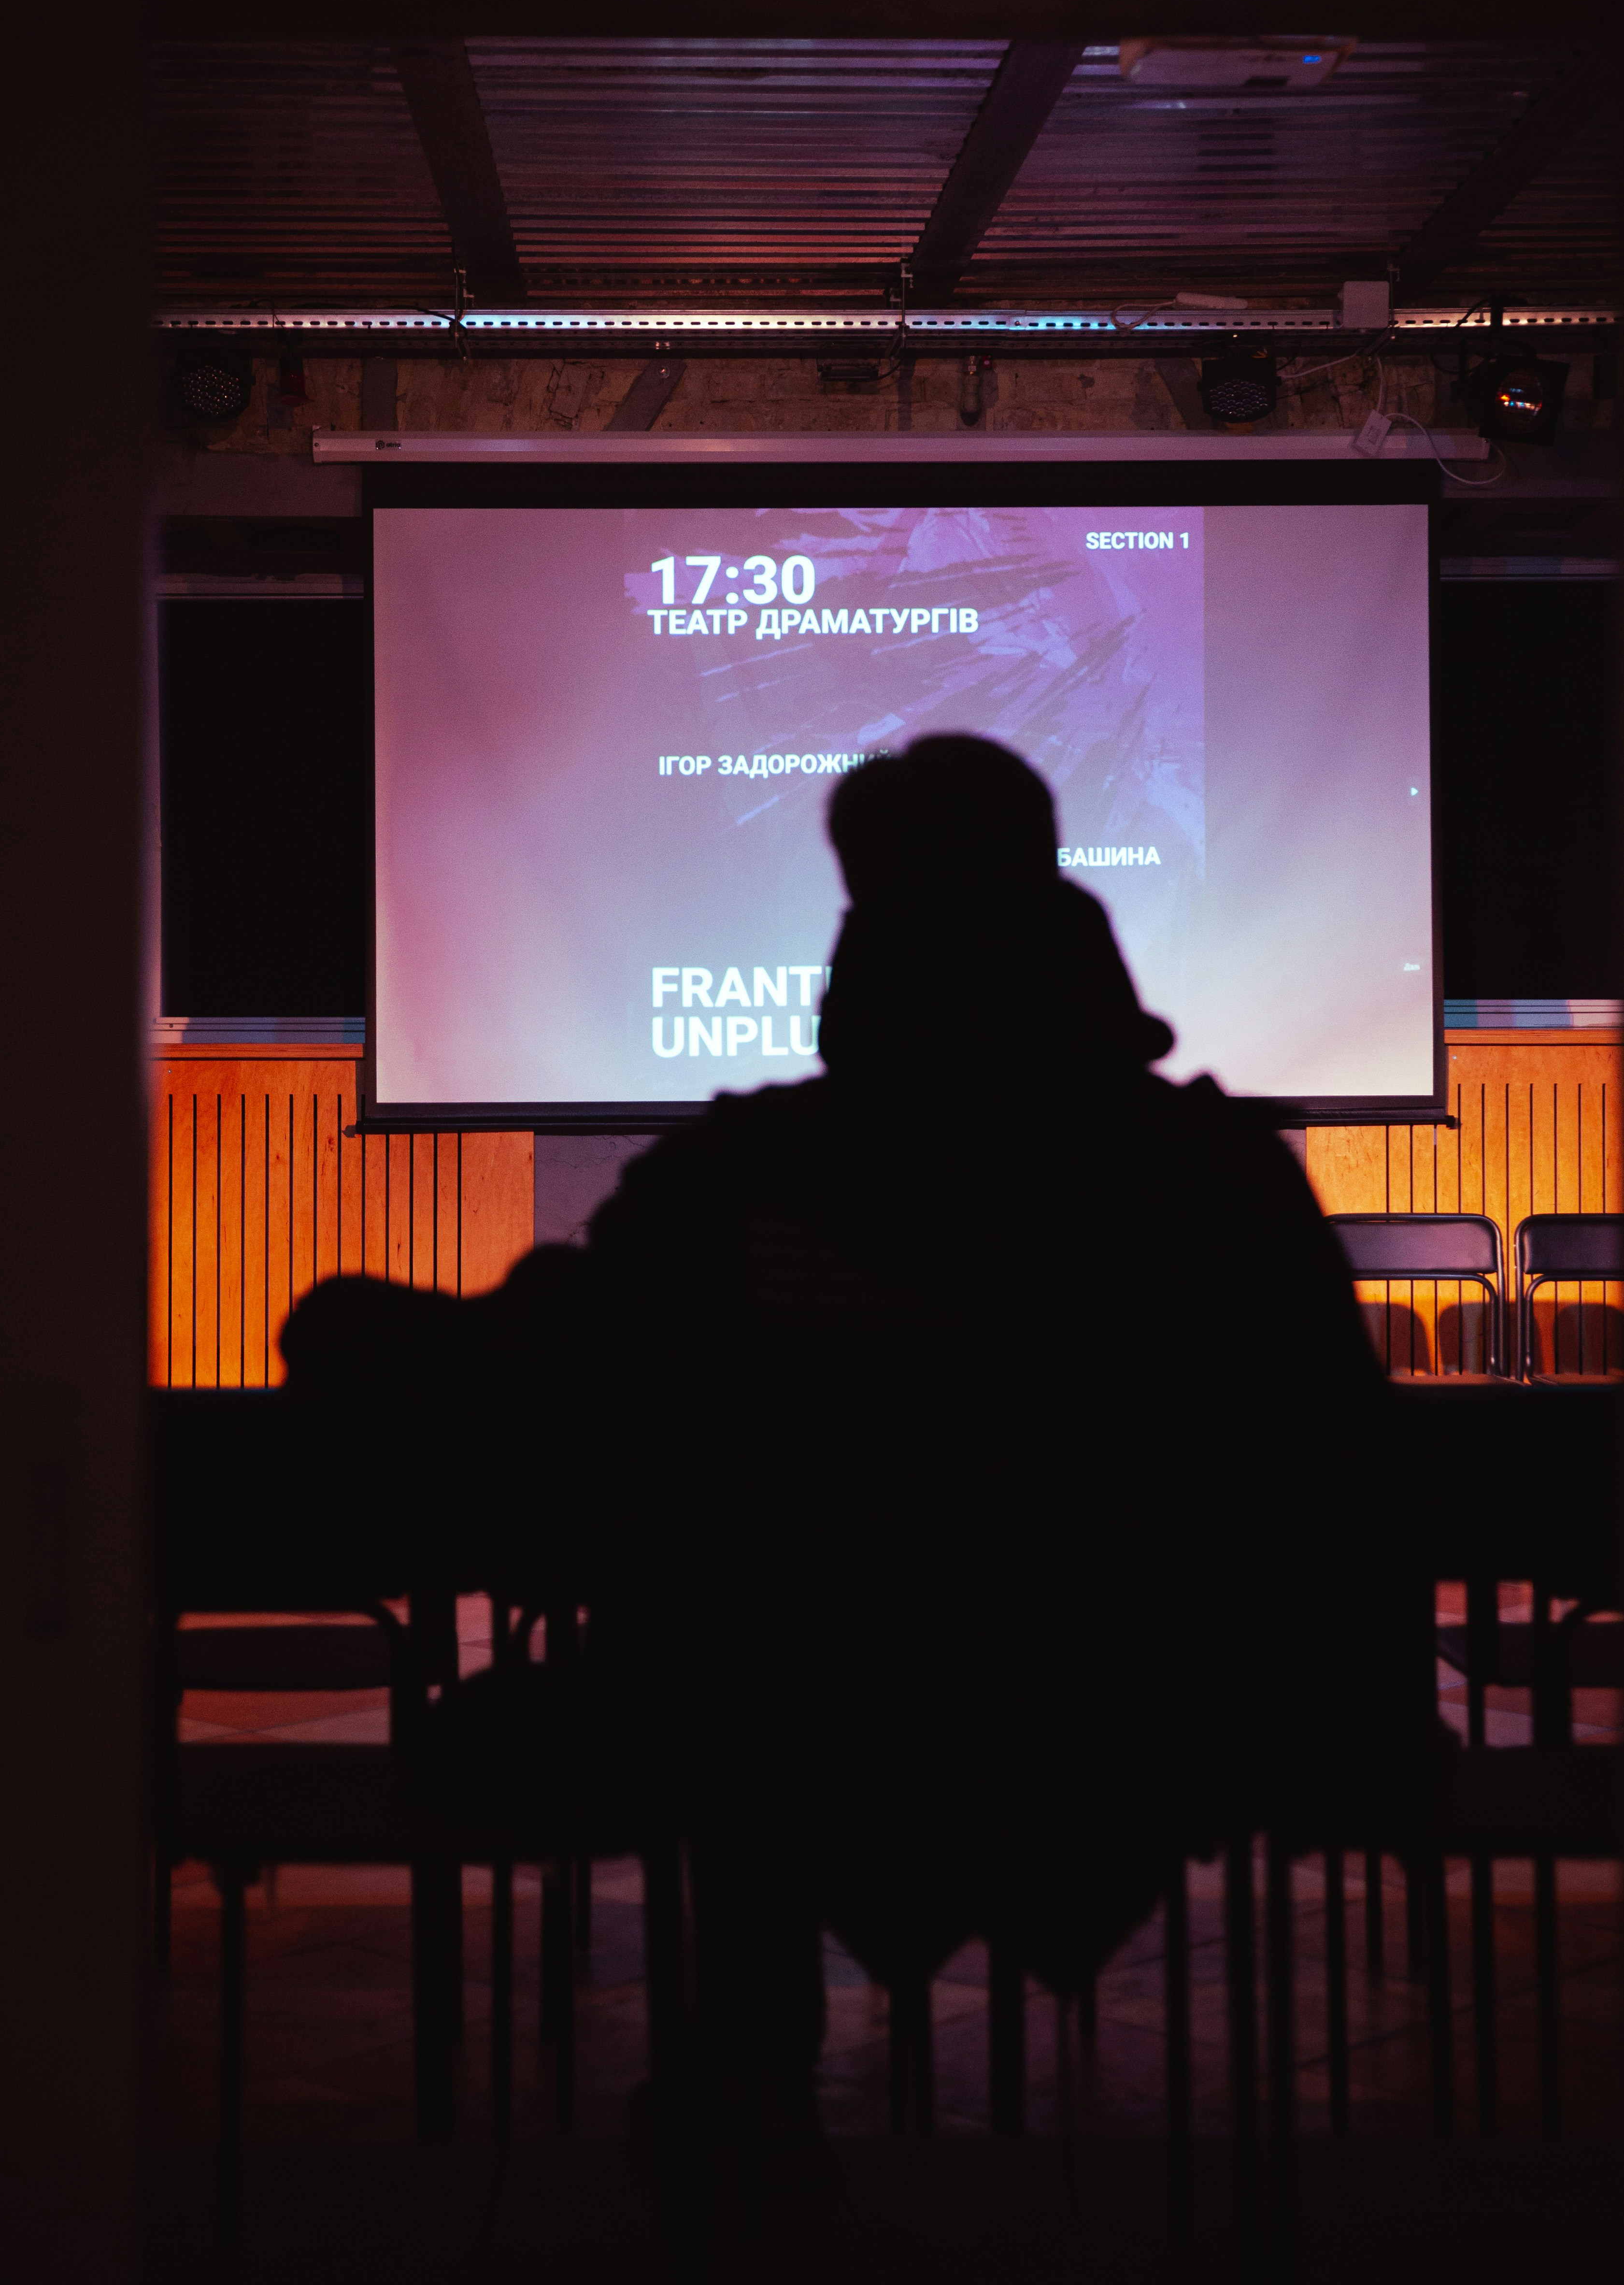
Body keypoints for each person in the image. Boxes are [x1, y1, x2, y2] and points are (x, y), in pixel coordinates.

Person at [282, 733, 1424, 2133]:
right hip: (1147, 1716)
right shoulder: (1216, 1181)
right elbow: (1340, 1466)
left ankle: (742, 2091)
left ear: (857, 929)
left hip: (785, 1713)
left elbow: (552, 1370)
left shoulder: (746, 1172)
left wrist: (359, 1327)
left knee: (711, 1656)